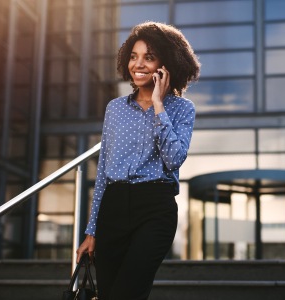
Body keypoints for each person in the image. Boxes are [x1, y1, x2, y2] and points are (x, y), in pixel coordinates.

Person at [76, 21, 200, 300]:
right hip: (114, 207)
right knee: (109, 293)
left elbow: (174, 159)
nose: (138, 64)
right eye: (133, 56)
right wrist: (91, 231)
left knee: (128, 292)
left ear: (167, 63)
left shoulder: (182, 109)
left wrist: (158, 106)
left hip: (155, 208)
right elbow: (105, 171)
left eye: (149, 56)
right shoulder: (115, 108)